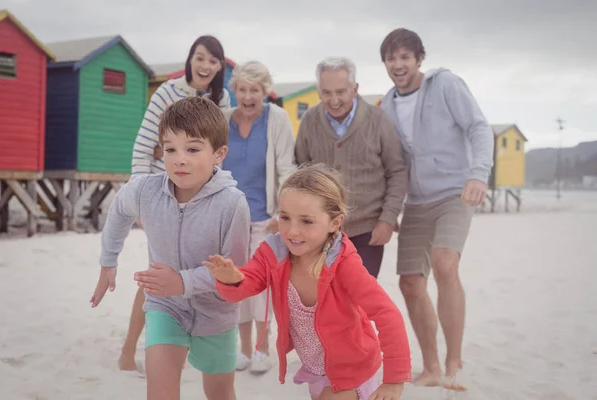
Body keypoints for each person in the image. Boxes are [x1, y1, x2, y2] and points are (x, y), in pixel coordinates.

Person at [204, 163, 412, 400]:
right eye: (285, 218)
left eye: (306, 221)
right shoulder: (274, 252)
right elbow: (246, 285)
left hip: (354, 369)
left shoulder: (344, 264)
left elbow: (387, 314)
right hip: (316, 369)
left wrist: (395, 379)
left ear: (335, 222)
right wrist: (232, 280)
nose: (292, 231)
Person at [91, 97, 250, 400]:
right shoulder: (145, 190)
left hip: (216, 315)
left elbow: (236, 275)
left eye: (192, 149)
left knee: (220, 393)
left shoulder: (233, 204)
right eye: (170, 149)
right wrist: (108, 261)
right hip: (166, 308)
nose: (179, 159)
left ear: (219, 154)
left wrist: (182, 282)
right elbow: (119, 211)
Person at [379, 28, 494, 391]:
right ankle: (429, 366)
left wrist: (478, 175)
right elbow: (391, 161)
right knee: (411, 282)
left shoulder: (445, 85)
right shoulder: (388, 103)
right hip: (416, 200)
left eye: (405, 57)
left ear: (419, 59)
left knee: (446, 263)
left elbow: (478, 127)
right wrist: (390, 208)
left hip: (454, 193)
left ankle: (453, 358)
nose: (398, 65)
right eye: (391, 58)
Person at [119, 35, 231, 372]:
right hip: (161, 193)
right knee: (159, 272)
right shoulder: (168, 92)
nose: (205, 66)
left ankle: (185, 346)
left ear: (220, 66)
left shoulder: (222, 99)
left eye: (212, 60)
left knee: (192, 271)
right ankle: (128, 351)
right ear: (190, 59)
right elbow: (143, 145)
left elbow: (215, 153)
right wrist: (140, 197)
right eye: (200, 57)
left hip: (201, 196)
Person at [295, 57, 407, 279]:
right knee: (324, 300)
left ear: (355, 89)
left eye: (341, 92)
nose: (334, 100)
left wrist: (387, 219)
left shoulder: (378, 120)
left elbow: (397, 172)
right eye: (326, 93)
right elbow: (300, 172)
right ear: (319, 92)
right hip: (321, 231)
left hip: (368, 232)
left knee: (358, 304)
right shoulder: (309, 121)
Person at [222, 60, 297, 373]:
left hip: (264, 217)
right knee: (235, 281)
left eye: (255, 90)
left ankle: (263, 348)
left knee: (261, 283)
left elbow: (286, 168)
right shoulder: (223, 119)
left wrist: (284, 213)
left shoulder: (276, 118)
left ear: (265, 92)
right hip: (229, 217)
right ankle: (242, 349)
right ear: (234, 90)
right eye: (242, 89)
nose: (248, 96)